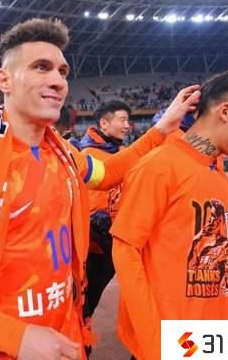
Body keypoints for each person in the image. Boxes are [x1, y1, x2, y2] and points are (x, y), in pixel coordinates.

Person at [0, 18, 200, 360]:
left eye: (62, 71)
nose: (58, 81)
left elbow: (109, 173)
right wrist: (14, 336)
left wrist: (161, 128)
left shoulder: (64, 153)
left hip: (66, 334)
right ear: (4, 79)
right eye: (41, 67)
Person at [111, 69, 228, 360]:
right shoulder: (160, 166)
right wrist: (156, 347)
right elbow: (126, 250)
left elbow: (223, 259)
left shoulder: (217, 176)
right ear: (226, 111)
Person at [77, 100, 131, 319]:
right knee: (87, 294)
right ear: (104, 123)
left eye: (128, 120)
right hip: (95, 240)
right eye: (122, 120)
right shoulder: (87, 153)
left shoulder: (123, 151)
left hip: (117, 234)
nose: (127, 126)